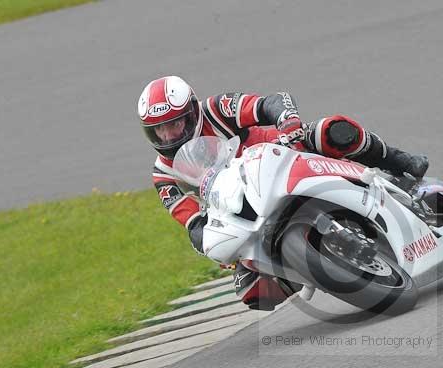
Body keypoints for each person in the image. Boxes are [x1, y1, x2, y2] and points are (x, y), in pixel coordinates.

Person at [138, 75, 428, 310]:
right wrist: (213, 242)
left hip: (278, 156)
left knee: (332, 130)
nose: (168, 136)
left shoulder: (216, 109)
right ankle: (310, 270)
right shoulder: (163, 175)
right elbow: (191, 225)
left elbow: (269, 104)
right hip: (241, 208)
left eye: (174, 124)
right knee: (253, 292)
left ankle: (399, 161)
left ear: (191, 112)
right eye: (158, 130)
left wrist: (287, 122)